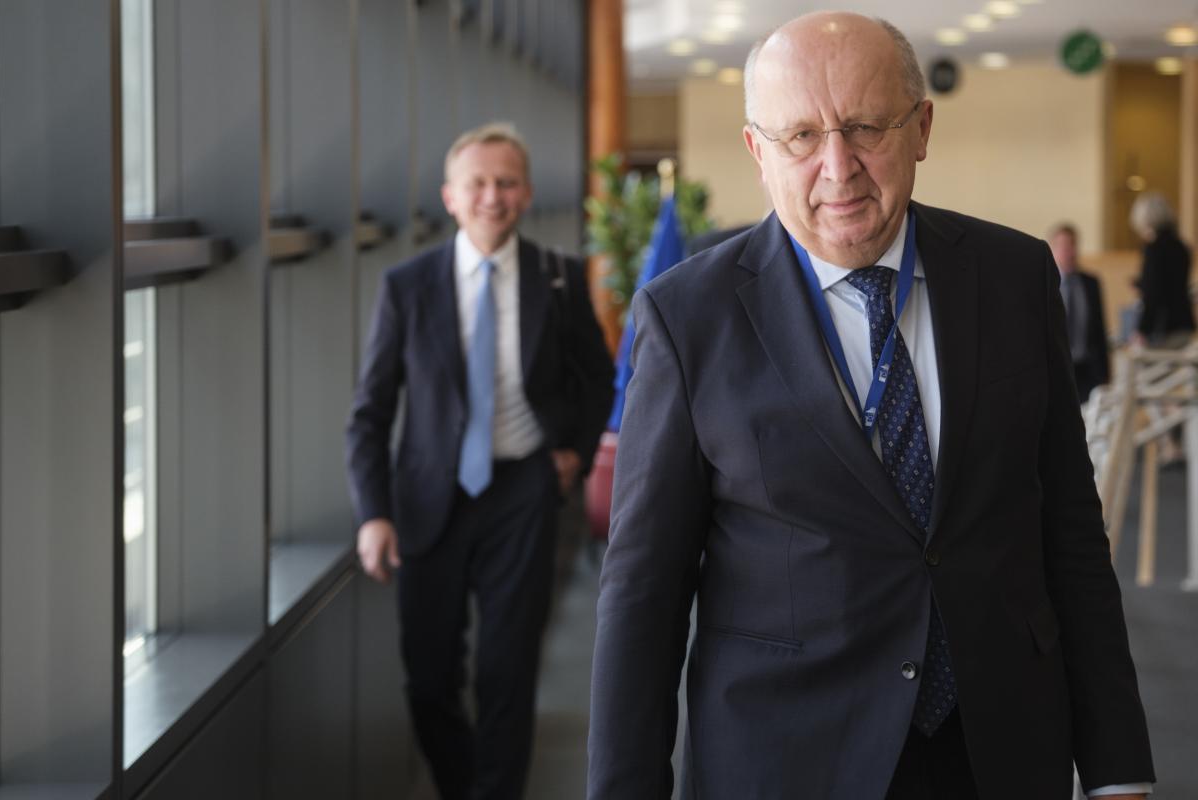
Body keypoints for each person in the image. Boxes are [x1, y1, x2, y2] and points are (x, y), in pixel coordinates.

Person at [588, 13, 1154, 800]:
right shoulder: (688, 318)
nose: (838, 167)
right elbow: (643, 592)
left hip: (1001, 747)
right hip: (787, 757)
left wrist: (1119, 768)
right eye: (800, 137)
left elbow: (1070, 534)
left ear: (921, 128)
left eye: (864, 127)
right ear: (757, 151)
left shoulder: (1016, 278)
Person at [347, 122, 613, 800]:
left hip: (522, 490)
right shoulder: (407, 287)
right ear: (451, 196)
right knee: (429, 677)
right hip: (428, 499)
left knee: (507, 670)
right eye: (478, 183)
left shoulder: (558, 278)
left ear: (526, 193)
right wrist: (373, 514)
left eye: (506, 183)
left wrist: (575, 453)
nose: (493, 196)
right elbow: (370, 413)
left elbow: (598, 378)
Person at [1048, 223, 1110, 402]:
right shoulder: (1047, 284)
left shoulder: (1091, 283)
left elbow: (1099, 327)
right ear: (1053, 249)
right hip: (1057, 367)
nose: (1070, 251)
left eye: (1073, 245)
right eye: (1064, 246)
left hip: (1087, 368)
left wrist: (1106, 372)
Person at [1131, 191, 1194, 348]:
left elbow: (1154, 293)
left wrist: (1142, 329)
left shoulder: (1154, 249)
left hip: (1162, 328)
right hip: (1184, 323)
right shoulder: (1182, 247)